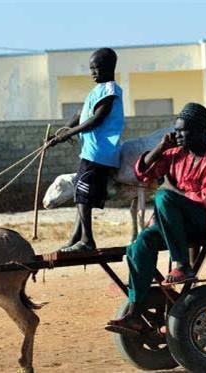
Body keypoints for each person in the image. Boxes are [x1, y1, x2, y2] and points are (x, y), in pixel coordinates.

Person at [106, 102, 206, 335]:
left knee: (165, 197)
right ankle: (134, 314)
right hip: (181, 224)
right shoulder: (177, 153)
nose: (177, 135)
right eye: (175, 130)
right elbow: (143, 173)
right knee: (140, 244)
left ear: (200, 131)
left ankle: (181, 265)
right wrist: (160, 147)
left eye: (182, 131)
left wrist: (175, 201)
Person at [49, 48, 124, 252]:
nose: (93, 72)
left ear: (110, 68)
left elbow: (97, 118)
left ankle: (87, 240)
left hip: (99, 152)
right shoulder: (96, 91)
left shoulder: (110, 89)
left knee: (83, 195)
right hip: (92, 151)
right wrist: (60, 133)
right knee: (82, 195)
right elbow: (81, 114)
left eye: (97, 68)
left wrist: (70, 133)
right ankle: (76, 238)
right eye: (91, 69)